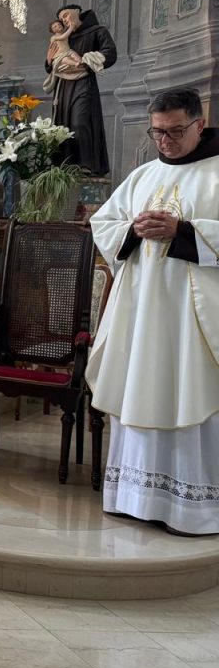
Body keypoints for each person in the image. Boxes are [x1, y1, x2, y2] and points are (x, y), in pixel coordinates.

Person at [89, 87, 219, 535]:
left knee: (189, 391)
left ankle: (192, 509)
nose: (165, 140)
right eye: (158, 132)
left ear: (200, 124)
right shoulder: (143, 175)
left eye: (176, 131)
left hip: (192, 320)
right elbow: (104, 223)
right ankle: (134, 497)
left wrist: (183, 230)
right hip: (142, 313)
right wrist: (132, 229)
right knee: (139, 386)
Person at [47, 4, 116, 176]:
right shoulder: (63, 37)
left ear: (77, 12)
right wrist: (49, 61)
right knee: (63, 127)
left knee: (80, 122)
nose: (64, 20)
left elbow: (110, 53)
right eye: (61, 19)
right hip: (63, 87)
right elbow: (51, 64)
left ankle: (86, 164)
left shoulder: (97, 31)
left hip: (83, 83)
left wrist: (86, 61)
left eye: (66, 15)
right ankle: (66, 167)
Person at [42, 18, 87, 95]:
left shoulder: (66, 32)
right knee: (65, 60)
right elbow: (63, 37)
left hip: (68, 51)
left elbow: (66, 34)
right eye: (55, 26)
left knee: (74, 55)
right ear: (52, 31)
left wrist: (71, 25)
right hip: (60, 56)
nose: (58, 26)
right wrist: (71, 28)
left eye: (59, 24)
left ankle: (81, 62)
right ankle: (75, 63)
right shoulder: (54, 37)